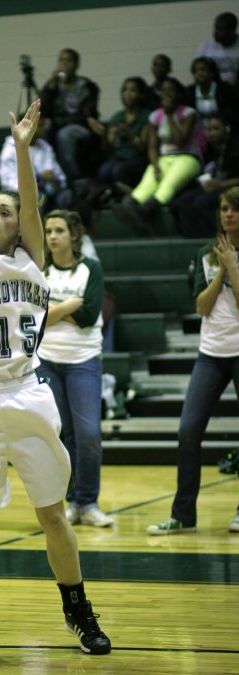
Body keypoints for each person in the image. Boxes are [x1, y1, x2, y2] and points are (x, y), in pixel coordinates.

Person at [0, 99, 111, 669]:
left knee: (52, 514)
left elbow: (33, 201)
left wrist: (20, 144)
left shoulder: (34, 258)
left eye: (3, 212)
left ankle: (80, 612)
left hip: (27, 393)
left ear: (20, 225)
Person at [147, 187, 239, 536]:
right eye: (224, 209)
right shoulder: (206, 253)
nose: (227, 215)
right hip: (211, 354)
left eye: (234, 209)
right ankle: (183, 514)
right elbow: (202, 307)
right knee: (187, 432)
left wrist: (234, 266)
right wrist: (220, 270)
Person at [37, 209, 114, 528]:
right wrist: (70, 306)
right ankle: (71, 501)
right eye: (49, 230)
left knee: (88, 435)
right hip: (48, 361)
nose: (52, 236)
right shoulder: (39, 271)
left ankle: (89, 501)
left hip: (83, 362)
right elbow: (34, 317)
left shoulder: (90, 269)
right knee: (59, 435)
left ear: (74, 235)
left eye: (59, 230)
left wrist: (54, 311)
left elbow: (89, 315)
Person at [113, 77, 203, 234]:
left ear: (178, 94)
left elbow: (180, 140)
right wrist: (155, 166)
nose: (166, 94)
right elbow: (152, 146)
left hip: (187, 157)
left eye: (170, 90)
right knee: (146, 185)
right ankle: (130, 206)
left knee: (167, 185)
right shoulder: (155, 115)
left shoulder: (189, 113)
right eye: (164, 91)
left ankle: (143, 214)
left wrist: (169, 115)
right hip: (163, 158)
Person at [170, 114, 239, 237]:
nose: (212, 133)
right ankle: (192, 238)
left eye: (216, 129)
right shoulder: (211, 147)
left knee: (202, 203)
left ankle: (216, 238)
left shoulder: (235, 147)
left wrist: (220, 184)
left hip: (231, 186)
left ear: (227, 128)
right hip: (215, 185)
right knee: (181, 202)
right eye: (209, 129)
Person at [40, 49, 100, 184]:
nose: (64, 64)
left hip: (80, 126)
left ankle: (73, 178)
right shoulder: (54, 85)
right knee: (43, 130)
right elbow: (41, 108)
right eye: (61, 60)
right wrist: (50, 89)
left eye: (69, 61)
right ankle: (48, 174)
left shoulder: (87, 86)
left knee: (65, 134)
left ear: (77, 65)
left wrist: (57, 121)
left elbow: (87, 115)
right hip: (58, 125)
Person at [0, 114, 72, 213]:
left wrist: (55, 181)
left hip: (48, 193)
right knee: (36, 198)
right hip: (21, 197)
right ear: (28, 128)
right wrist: (38, 178)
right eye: (41, 125)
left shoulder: (45, 147)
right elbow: (11, 185)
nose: (46, 128)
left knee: (66, 195)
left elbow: (61, 178)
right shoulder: (10, 149)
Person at [95, 76, 150, 190]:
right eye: (125, 90)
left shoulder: (147, 116)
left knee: (118, 171)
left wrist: (127, 131)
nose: (127, 94)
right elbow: (108, 149)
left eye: (132, 90)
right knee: (103, 170)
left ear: (140, 94)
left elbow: (142, 148)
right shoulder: (117, 117)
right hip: (118, 157)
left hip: (137, 158)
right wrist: (104, 135)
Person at [185, 57, 238, 130]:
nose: (199, 73)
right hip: (198, 131)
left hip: (223, 128)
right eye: (195, 71)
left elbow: (231, 113)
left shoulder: (224, 89)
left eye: (203, 70)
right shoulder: (190, 91)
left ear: (212, 73)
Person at [195, 12, 239, 86]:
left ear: (232, 30)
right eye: (216, 27)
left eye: (220, 29)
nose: (215, 32)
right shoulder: (206, 46)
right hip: (212, 86)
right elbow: (197, 70)